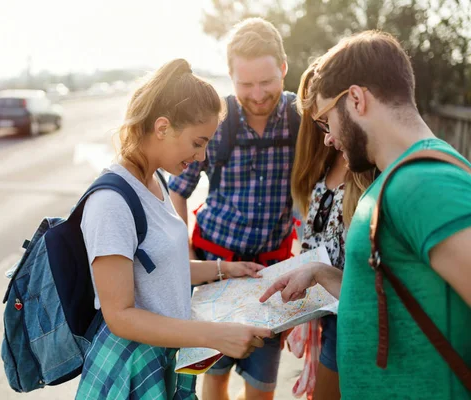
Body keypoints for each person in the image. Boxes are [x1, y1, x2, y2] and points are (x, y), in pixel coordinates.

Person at [261, 31, 471, 399]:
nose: (326, 138)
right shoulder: (397, 179)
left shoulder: (424, 183)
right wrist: (322, 273)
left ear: (356, 99)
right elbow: (392, 299)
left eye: (326, 120)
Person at [75, 58, 274, 400]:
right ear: (163, 127)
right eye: (198, 142)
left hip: (167, 354)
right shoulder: (111, 202)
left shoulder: (157, 180)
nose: (202, 157)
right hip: (133, 370)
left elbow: (161, 271)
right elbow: (119, 316)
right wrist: (212, 335)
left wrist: (222, 269)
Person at [169, 18, 300, 400]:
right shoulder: (218, 122)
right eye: (246, 84)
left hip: (269, 277)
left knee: (262, 384)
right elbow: (178, 192)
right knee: (215, 375)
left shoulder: (300, 120)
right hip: (216, 270)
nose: (257, 94)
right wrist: (189, 258)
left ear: (284, 69)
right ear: (231, 76)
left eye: (266, 81)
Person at [289, 62, 374, 399]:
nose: (321, 128)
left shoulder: (364, 164)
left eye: (323, 115)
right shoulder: (321, 157)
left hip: (349, 313)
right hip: (322, 306)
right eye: (314, 118)